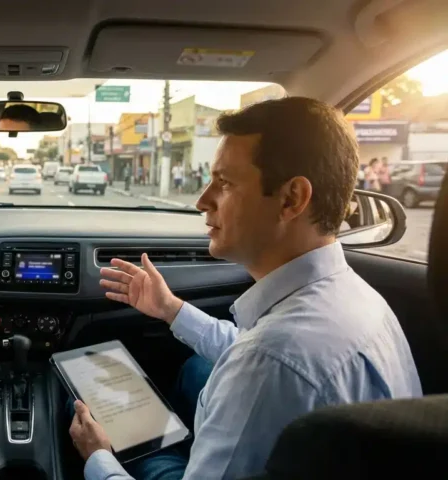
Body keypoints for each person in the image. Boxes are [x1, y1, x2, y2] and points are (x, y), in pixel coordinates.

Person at [73, 97, 421, 480]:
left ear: (291, 199)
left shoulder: (271, 363)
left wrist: (99, 458)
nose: (201, 201)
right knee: (196, 368)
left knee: (128, 439)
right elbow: (248, 349)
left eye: (224, 183)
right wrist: (170, 308)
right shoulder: (359, 297)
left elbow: (263, 359)